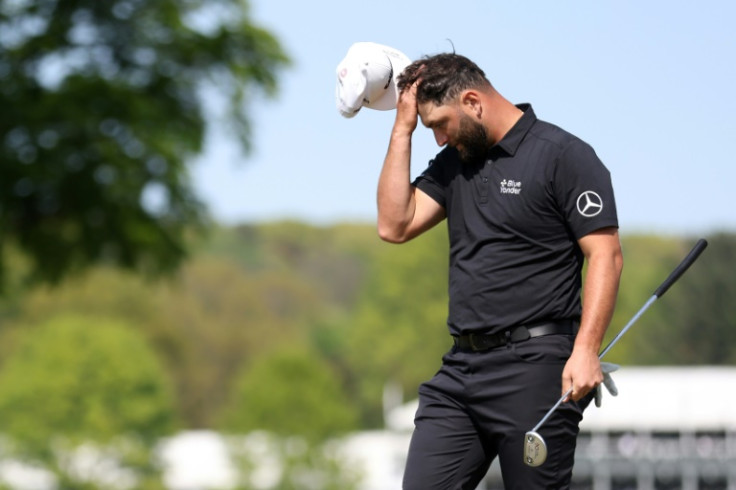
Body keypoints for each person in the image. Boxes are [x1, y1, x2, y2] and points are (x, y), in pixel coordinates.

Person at [376, 52, 624, 489]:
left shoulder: (563, 156)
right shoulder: (456, 162)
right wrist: (402, 129)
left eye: (439, 124)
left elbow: (605, 255)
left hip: (536, 370)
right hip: (460, 371)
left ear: (472, 101)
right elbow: (394, 224)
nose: (437, 139)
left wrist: (586, 350)